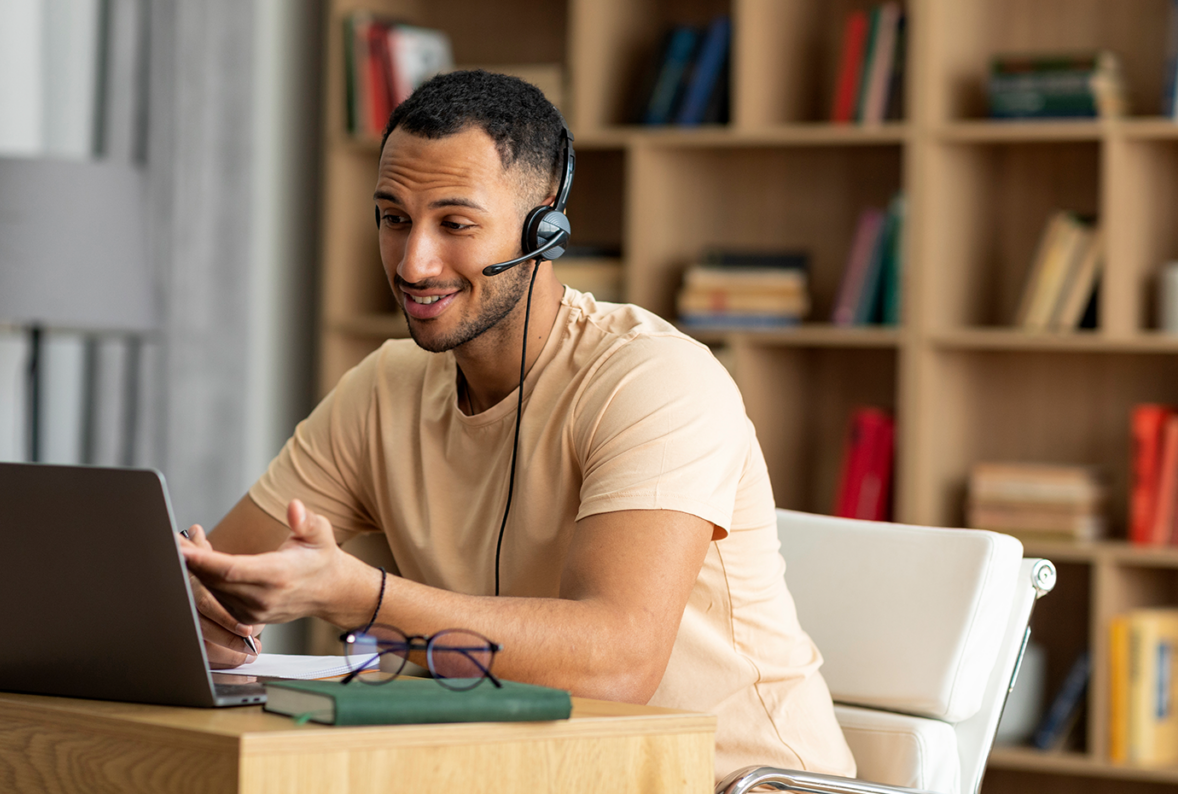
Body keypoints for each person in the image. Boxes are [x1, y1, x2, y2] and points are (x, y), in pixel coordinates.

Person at [179, 70, 855, 778]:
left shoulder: (655, 380)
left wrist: (358, 596)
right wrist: (202, 603)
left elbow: (618, 665)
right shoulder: (383, 389)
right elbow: (226, 580)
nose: (414, 262)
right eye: (393, 218)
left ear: (544, 230)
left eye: (456, 224)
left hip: (743, 785)